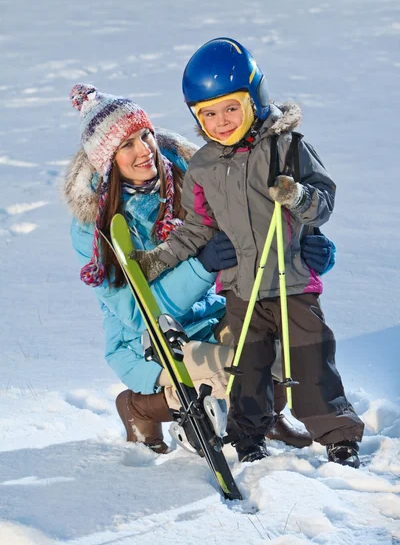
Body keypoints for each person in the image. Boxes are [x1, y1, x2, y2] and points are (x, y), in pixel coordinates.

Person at [64, 83, 334, 456]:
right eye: (127, 145)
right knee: (240, 372)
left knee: (289, 354)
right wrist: (201, 267)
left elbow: (258, 229)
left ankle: (265, 416)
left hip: (218, 312)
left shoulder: (191, 176)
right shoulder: (93, 225)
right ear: (107, 159)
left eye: (146, 136)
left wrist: (317, 252)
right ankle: (139, 406)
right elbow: (131, 313)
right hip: (144, 341)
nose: (145, 150)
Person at [132, 37, 364, 467]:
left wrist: (296, 197)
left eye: (231, 108)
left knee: (312, 360)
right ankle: (248, 436)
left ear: (254, 98)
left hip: (293, 280)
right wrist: (160, 258)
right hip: (242, 288)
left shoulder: (288, 148)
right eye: (208, 114)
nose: (221, 121)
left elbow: (324, 204)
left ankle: (337, 433)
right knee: (248, 369)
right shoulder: (202, 168)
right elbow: (199, 227)